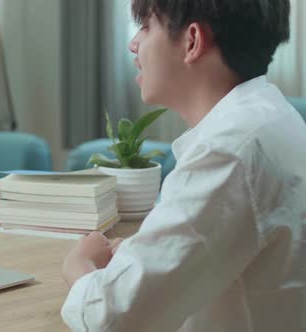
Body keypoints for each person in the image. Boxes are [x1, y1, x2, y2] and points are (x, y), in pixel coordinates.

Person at [61, 1, 306, 331]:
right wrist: (141, 253)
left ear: (191, 41)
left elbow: (112, 318)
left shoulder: (229, 151)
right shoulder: (274, 116)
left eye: (146, 27)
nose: (134, 44)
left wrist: (80, 265)